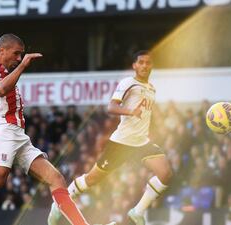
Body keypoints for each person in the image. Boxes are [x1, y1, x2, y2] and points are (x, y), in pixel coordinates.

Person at [0, 34, 114, 225]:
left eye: (21, 55)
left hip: (17, 134)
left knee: (55, 178)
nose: (18, 58)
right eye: (16, 54)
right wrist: (23, 66)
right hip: (2, 130)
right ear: (2, 50)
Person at [48, 50, 174, 225]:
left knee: (165, 173)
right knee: (92, 178)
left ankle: (137, 212)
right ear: (134, 65)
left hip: (141, 142)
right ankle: (60, 203)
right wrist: (130, 112)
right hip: (121, 143)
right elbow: (111, 107)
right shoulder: (129, 83)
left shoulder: (151, 88)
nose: (145, 66)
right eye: (141, 62)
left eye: (148, 63)